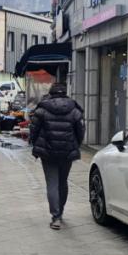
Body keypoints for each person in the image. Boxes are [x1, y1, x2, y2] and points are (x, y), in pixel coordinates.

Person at [29, 83, 85, 230]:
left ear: (51, 93)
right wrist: (75, 145)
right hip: (67, 152)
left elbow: (33, 131)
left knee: (52, 183)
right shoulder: (74, 109)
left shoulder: (42, 109)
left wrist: (36, 145)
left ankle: (56, 217)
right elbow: (80, 131)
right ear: (65, 93)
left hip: (47, 153)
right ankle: (61, 211)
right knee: (63, 182)